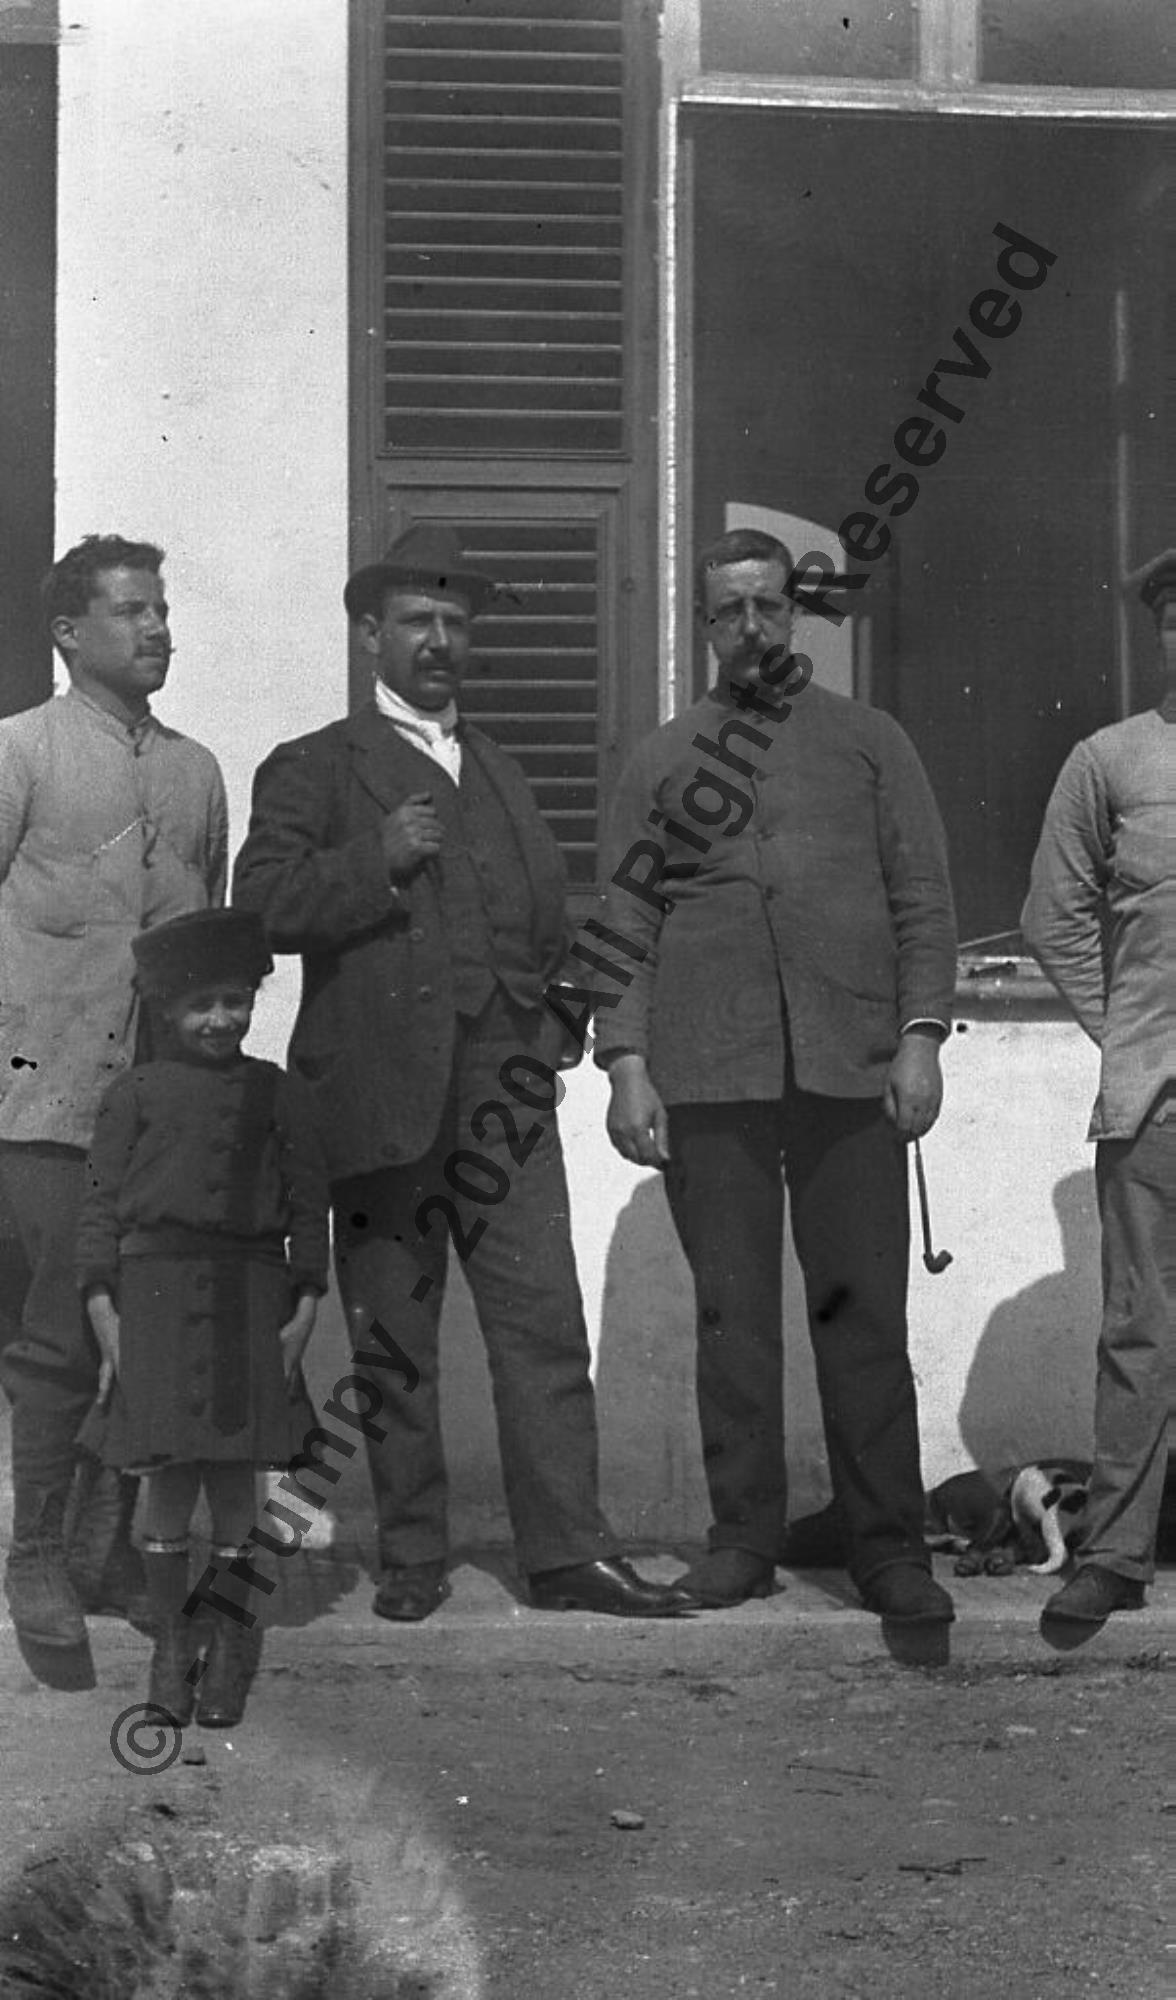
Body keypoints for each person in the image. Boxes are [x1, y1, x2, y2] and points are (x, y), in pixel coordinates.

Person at [233, 523, 693, 1622]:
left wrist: (557, 1018)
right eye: (416, 621)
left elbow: (544, 918)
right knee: (393, 1335)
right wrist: (376, 858)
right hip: (376, 1093)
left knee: (543, 1324)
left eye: (454, 621)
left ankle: (568, 1554)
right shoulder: (314, 764)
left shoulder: (498, 766)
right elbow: (260, 907)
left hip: (503, 1094)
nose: (438, 640)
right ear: (370, 633)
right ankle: (413, 1555)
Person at [596, 528, 958, 1620]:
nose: (750, 627)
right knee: (733, 1319)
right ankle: (743, 1538)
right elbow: (624, 923)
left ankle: (888, 1548)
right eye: (729, 610)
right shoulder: (663, 759)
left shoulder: (871, 741)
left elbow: (922, 899)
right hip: (712, 1076)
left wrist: (921, 1037)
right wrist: (626, 1063)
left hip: (852, 1069)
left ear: (793, 612)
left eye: (767, 605)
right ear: (705, 625)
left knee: (864, 1317)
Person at [0, 535, 228, 1688]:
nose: (157, 629)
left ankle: (119, 1548)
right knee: (56, 1336)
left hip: (162, 1114)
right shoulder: (20, 752)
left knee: (158, 1328)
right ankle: (35, 1555)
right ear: (69, 632)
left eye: (162, 609)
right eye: (132, 610)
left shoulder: (196, 773)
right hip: (46, 1103)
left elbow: (207, 939)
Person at [75, 908, 326, 1729]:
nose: (220, 1019)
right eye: (199, 1006)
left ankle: (230, 1639)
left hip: (251, 1298)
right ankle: (171, 1646)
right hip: (153, 1302)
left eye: (234, 1001)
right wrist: (106, 1317)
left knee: (234, 1478)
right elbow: (99, 1212)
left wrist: (305, 1312)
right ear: (166, 1009)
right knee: (169, 1478)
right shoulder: (133, 1094)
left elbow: (308, 1208)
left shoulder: (280, 1093)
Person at [1021, 548, 1175, 1626]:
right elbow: (1054, 916)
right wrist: (1128, 1034)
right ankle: (1117, 1554)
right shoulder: (1109, 761)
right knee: (1142, 1332)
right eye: (1174, 618)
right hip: (1157, 1104)